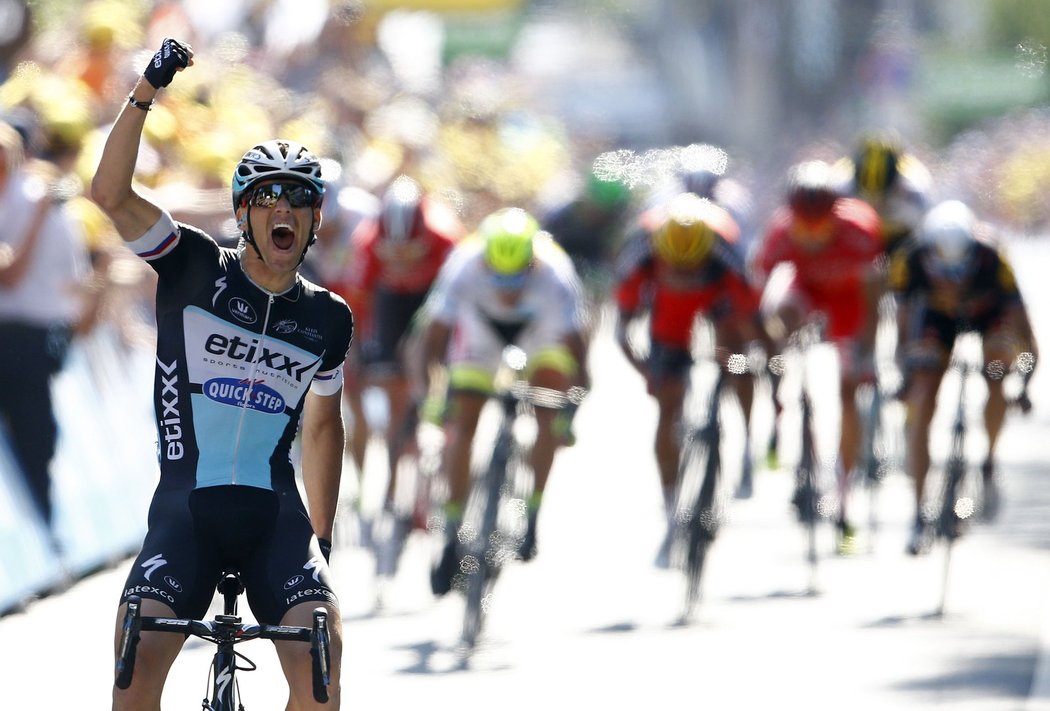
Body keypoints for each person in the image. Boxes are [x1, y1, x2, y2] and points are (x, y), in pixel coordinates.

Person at [90, 38, 352, 710]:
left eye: (299, 199)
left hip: (275, 521)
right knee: (133, 662)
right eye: (268, 199)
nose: (283, 211)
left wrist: (321, 539)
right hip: (185, 515)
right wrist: (146, 89)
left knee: (323, 666)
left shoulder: (328, 319)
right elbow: (110, 193)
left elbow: (323, 430)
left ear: (316, 218)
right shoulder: (192, 266)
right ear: (243, 212)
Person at [415, 207, 588, 594]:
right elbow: (436, 335)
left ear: (533, 262)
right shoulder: (463, 264)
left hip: (539, 336)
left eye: (517, 279)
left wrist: (574, 399)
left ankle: (533, 513)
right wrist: (434, 392)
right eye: (499, 278)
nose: (507, 289)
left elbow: (577, 344)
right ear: (485, 260)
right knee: (462, 423)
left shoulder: (556, 273)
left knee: (548, 409)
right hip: (481, 338)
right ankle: (453, 529)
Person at [613, 192, 770, 566]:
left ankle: (745, 443)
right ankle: (671, 510)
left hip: (718, 303)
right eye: (676, 270)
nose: (684, 275)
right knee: (668, 405)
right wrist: (647, 372)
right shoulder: (641, 254)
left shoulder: (726, 256)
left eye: (691, 270)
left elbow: (754, 325)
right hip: (669, 317)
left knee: (737, 356)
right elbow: (622, 331)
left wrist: (762, 363)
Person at [888, 200, 1037, 555]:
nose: (953, 284)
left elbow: (1026, 337)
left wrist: (1024, 383)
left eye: (961, 274)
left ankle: (988, 459)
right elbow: (903, 330)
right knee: (924, 394)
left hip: (989, 318)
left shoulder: (993, 259)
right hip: (936, 323)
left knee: (1000, 367)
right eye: (944, 275)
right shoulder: (910, 260)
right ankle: (919, 512)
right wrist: (906, 373)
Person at [750, 160, 883, 556]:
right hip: (805, 292)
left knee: (846, 394)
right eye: (803, 225)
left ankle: (844, 497)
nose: (811, 234)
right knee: (781, 313)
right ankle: (789, 424)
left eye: (820, 225)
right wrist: (770, 347)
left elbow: (875, 296)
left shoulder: (859, 230)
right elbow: (760, 291)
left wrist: (866, 351)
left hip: (848, 301)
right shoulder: (780, 231)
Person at [339, 174, 463, 575]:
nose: (404, 259)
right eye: (396, 253)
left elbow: (461, 313)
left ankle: (440, 476)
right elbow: (357, 304)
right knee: (396, 397)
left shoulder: (447, 240)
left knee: (440, 376)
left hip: (435, 303)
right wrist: (353, 353)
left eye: (412, 251)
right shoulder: (368, 242)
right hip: (392, 304)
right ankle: (395, 483)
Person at [0, 119, 92, 537]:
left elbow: (72, 277)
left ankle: (45, 534)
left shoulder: (38, 199)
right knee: (33, 436)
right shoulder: (33, 204)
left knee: (38, 437)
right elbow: (11, 275)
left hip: (33, 337)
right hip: (13, 334)